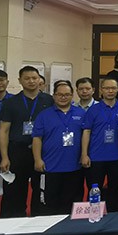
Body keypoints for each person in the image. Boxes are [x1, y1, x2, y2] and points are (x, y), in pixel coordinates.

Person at [0, 66, 55, 217]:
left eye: (34, 78)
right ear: (20, 80)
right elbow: (4, 131)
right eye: (27, 78)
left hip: (42, 152)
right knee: (14, 191)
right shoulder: (11, 102)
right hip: (17, 151)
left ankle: (39, 218)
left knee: (41, 188)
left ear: (39, 80)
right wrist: (4, 157)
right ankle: (13, 220)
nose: (31, 81)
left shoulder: (49, 100)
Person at [31, 80, 85, 215]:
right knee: (49, 204)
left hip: (74, 167)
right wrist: (37, 159)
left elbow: (86, 136)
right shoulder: (44, 115)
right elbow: (37, 138)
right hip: (50, 167)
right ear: (54, 96)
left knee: (71, 204)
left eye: (67, 95)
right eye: (60, 94)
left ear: (72, 95)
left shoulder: (81, 114)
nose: (63, 97)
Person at [80, 76, 118, 211]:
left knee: (114, 189)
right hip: (96, 157)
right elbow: (86, 132)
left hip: (117, 157)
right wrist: (84, 154)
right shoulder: (93, 109)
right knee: (94, 190)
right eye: (107, 88)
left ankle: (112, 215)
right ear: (101, 90)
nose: (110, 91)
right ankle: (94, 215)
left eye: (113, 88)